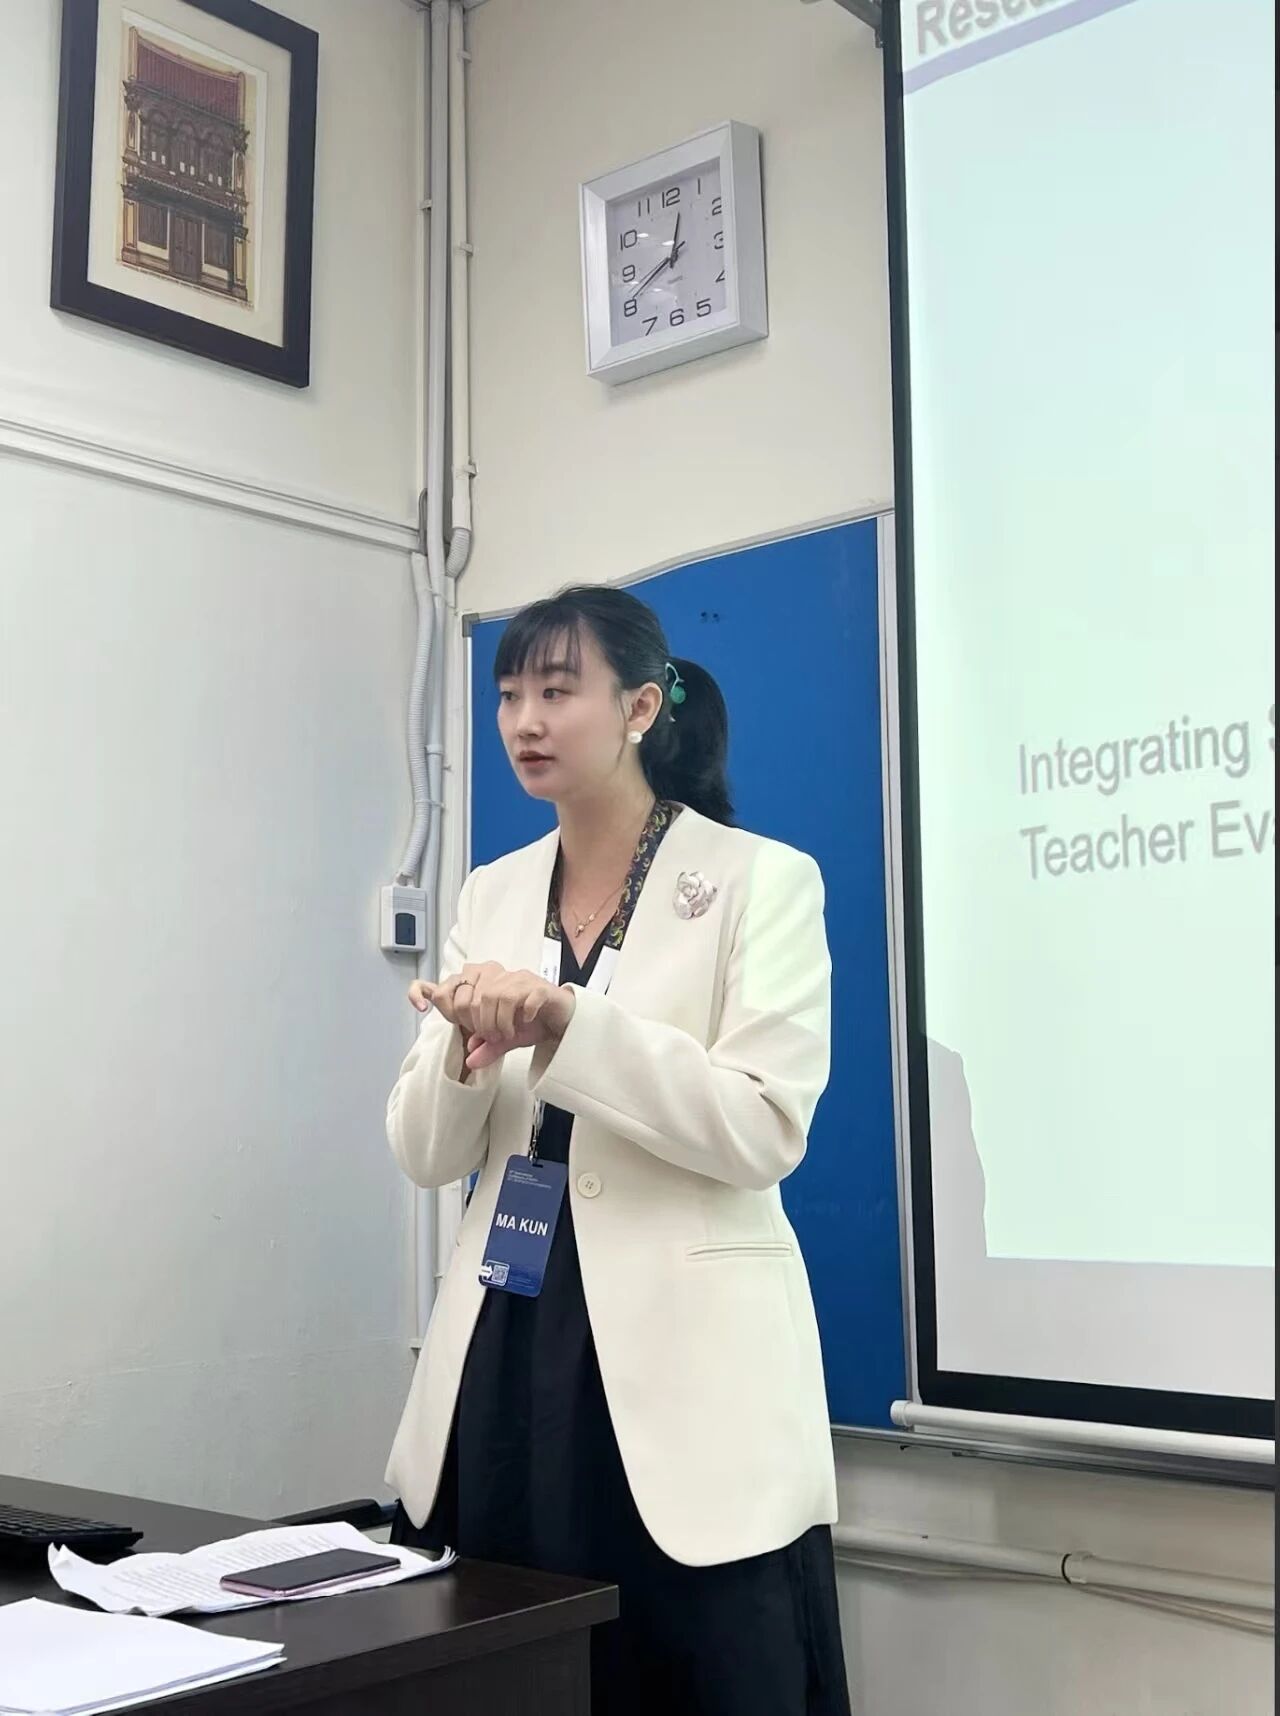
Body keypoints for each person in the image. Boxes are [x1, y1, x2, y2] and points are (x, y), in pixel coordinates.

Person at [384, 584, 849, 1716]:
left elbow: (762, 1126)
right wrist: (463, 1057)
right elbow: (425, 1156)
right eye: (508, 695)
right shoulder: (491, 891)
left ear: (640, 708)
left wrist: (567, 1023)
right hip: (509, 1345)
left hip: (679, 1375)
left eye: (557, 691)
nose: (523, 722)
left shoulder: (758, 879)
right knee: (509, 1675)